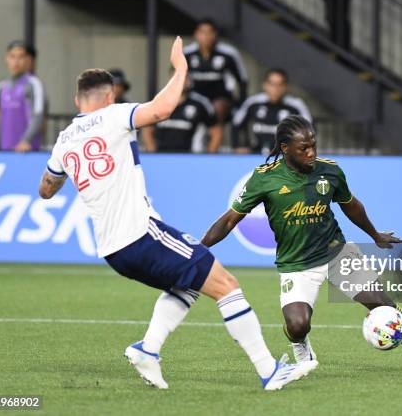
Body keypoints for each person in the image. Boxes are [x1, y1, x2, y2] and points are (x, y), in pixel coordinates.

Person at [37, 37, 317, 391]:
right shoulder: (114, 114)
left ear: (78, 100)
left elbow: (46, 189)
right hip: (140, 233)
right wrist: (181, 68)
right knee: (228, 286)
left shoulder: (64, 139)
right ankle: (269, 370)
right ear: (109, 97)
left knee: (187, 285)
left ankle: (148, 350)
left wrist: (70, 175)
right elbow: (161, 109)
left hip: (112, 248)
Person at [202, 115, 402, 375]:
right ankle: (300, 344)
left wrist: (375, 235)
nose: (311, 152)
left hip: (336, 254)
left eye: (314, 145)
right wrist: (200, 249)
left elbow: (352, 207)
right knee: (298, 324)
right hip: (297, 263)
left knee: (384, 305)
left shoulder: (330, 171)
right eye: (304, 148)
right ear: (285, 148)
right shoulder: (264, 178)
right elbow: (228, 221)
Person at [184, 19, 248, 151]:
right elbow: (177, 77)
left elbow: (242, 80)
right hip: (194, 99)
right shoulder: (187, 53)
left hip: (220, 98)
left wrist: (241, 104)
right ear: (196, 34)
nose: (206, 36)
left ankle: (213, 148)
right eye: (202, 32)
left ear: (215, 34)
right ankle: (191, 147)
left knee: (216, 108)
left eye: (210, 32)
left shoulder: (228, 54)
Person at [232, 68, 312, 155]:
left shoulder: (295, 106)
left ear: (285, 87)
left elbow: (310, 129)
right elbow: (237, 124)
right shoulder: (253, 103)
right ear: (265, 85)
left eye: (279, 85)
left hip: (286, 158)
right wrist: (239, 146)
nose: (275, 89)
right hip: (255, 155)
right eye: (272, 84)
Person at [0, 40, 45, 152]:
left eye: (21, 57)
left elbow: (38, 116)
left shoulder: (33, 84)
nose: (16, 61)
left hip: (27, 151)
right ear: (6, 59)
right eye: (12, 56)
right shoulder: (0, 88)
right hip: (5, 151)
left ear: (28, 60)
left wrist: (25, 141)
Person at [142, 75, 222, 153]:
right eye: (177, 77)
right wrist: (152, 153)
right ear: (170, 79)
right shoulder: (159, 101)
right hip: (162, 158)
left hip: (191, 160)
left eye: (185, 76)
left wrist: (208, 159)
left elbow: (216, 133)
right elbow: (147, 129)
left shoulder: (200, 104)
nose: (182, 81)